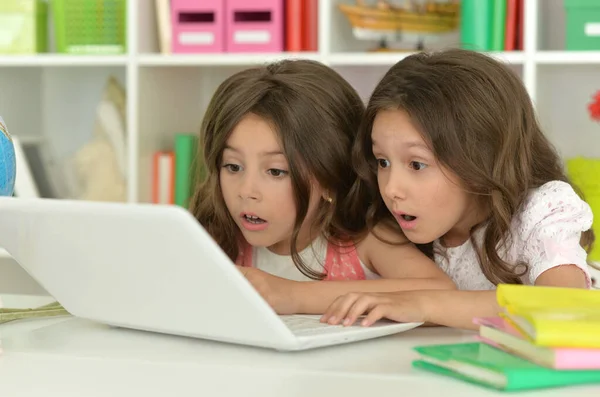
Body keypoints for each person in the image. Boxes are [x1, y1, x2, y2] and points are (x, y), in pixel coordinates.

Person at [320, 49, 595, 330]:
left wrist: (423, 304)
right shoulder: (400, 228)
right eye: (383, 161)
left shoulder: (542, 210)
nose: (391, 189)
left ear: (482, 157)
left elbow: (563, 305)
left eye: (416, 164)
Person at [188, 59, 455, 316]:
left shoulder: (363, 239)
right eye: (233, 166)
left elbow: (438, 289)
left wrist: (292, 295)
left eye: (276, 171)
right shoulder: (219, 236)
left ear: (329, 176)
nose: (246, 191)